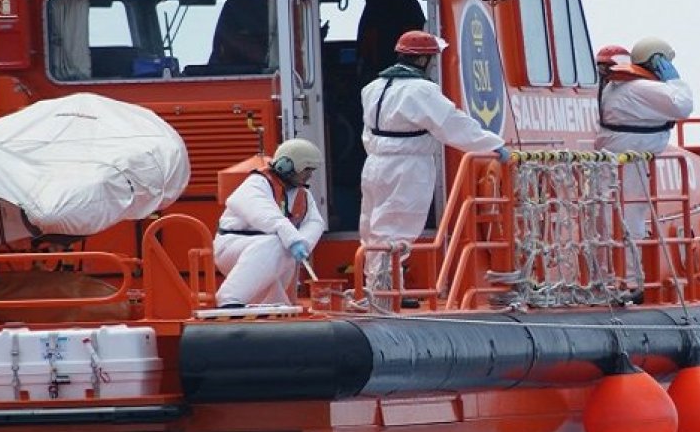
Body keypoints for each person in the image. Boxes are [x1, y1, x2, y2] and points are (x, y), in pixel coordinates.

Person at [359, 30, 509, 309]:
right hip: (408, 164)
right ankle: (383, 296)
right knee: (397, 227)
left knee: (372, 227)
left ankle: (378, 288)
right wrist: (493, 145)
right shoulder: (422, 90)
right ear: (425, 59)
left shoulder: (373, 87)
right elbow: (452, 123)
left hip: (374, 163)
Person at [594, 36, 694, 301]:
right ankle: (627, 283)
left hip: (616, 160)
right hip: (629, 161)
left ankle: (611, 280)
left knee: (610, 220)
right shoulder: (638, 88)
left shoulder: (613, 89)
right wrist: (673, 79)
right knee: (629, 221)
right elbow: (682, 104)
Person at [214, 138, 327, 307]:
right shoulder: (256, 184)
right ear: (288, 166)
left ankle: (275, 304)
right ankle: (230, 299)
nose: (309, 175)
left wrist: (303, 243)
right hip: (233, 246)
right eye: (307, 169)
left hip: (265, 248)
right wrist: (293, 239)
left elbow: (315, 222)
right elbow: (265, 215)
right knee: (278, 242)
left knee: (283, 245)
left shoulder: (302, 195)